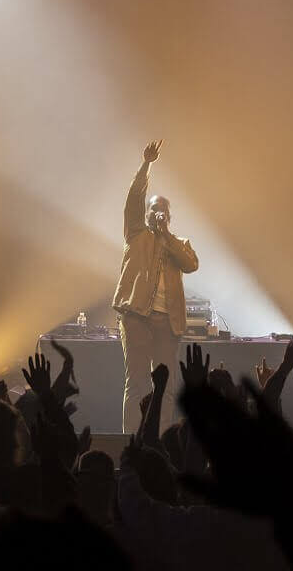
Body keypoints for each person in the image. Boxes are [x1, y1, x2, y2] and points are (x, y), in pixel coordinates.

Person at [112, 140, 200, 433]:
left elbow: (191, 264)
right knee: (137, 383)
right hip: (136, 316)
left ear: (170, 216)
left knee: (165, 385)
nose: (158, 213)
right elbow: (134, 198)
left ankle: (162, 443)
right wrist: (146, 164)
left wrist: (167, 236)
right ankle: (131, 444)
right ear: (146, 213)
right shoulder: (136, 233)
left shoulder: (180, 244)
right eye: (154, 209)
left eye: (163, 210)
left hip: (167, 321)